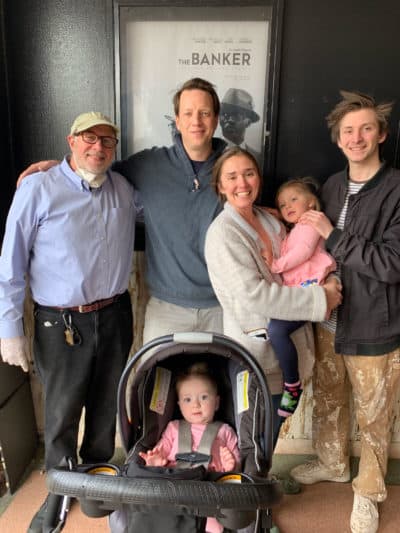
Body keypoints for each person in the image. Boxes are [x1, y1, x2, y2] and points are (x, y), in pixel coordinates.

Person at [0, 111, 142, 532]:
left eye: (107, 141)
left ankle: (95, 479)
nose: (98, 147)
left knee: (104, 407)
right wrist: (10, 329)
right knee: (61, 412)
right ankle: (60, 490)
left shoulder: (123, 188)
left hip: (115, 314)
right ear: (71, 141)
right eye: (88, 138)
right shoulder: (37, 189)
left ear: (115, 149)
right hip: (60, 323)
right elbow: (10, 266)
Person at [18, 78, 228, 344]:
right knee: (154, 383)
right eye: (188, 113)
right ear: (177, 120)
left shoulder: (234, 167)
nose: (196, 121)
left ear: (216, 118)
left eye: (205, 113)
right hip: (167, 310)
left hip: (224, 306)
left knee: (226, 384)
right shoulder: (149, 164)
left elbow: (252, 207)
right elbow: (94, 170)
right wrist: (61, 169)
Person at [289, 90, 400, 533]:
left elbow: (392, 265)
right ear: (338, 139)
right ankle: (332, 462)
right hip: (329, 317)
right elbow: (309, 242)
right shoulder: (332, 186)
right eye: (348, 131)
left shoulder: (395, 188)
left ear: (382, 134)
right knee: (330, 397)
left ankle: (368, 492)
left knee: (375, 413)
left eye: (366, 129)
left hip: (377, 322)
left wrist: (333, 236)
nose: (357, 138)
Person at [204, 146, 342, 446]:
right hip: (256, 353)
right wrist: (321, 299)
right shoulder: (223, 234)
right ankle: (245, 487)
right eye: (232, 176)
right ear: (221, 186)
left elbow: (303, 262)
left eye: (249, 173)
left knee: (270, 436)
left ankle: (258, 482)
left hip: (288, 348)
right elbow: (256, 296)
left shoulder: (269, 220)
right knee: (253, 437)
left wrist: (328, 279)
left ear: (259, 179)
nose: (242, 183)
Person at [139, 362, 240, 533]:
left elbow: (238, 465)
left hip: (209, 491)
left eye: (204, 397)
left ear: (216, 403)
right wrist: (154, 463)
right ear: (179, 404)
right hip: (173, 488)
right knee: (154, 514)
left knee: (217, 525)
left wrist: (231, 466)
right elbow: (160, 452)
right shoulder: (173, 428)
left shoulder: (225, 431)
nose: (196, 405)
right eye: (188, 399)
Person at [266, 177, 337, 418]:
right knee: (274, 329)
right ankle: (289, 383)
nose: (288, 206)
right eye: (283, 204)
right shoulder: (296, 227)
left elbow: (304, 251)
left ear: (311, 202)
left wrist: (276, 264)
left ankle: (292, 385)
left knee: (276, 330)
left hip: (309, 293)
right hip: (300, 292)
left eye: (294, 199)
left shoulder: (310, 224)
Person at [219, 88, 261, 166]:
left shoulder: (258, 157)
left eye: (236, 115)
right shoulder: (209, 154)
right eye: (224, 114)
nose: (230, 120)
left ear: (248, 122)